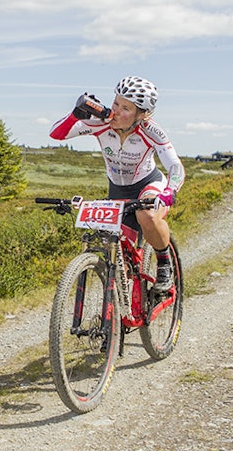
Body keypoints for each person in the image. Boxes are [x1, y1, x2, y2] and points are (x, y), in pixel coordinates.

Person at [49, 76, 185, 291]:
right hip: (117, 190)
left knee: (147, 215)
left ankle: (164, 264)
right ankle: (117, 309)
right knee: (113, 249)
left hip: (148, 185)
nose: (116, 111)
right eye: (115, 104)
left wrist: (170, 191)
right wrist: (75, 114)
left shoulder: (151, 131)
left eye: (126, 108)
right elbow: (56, 134)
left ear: (141, 115)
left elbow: (175, 166)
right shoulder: (101, 124)